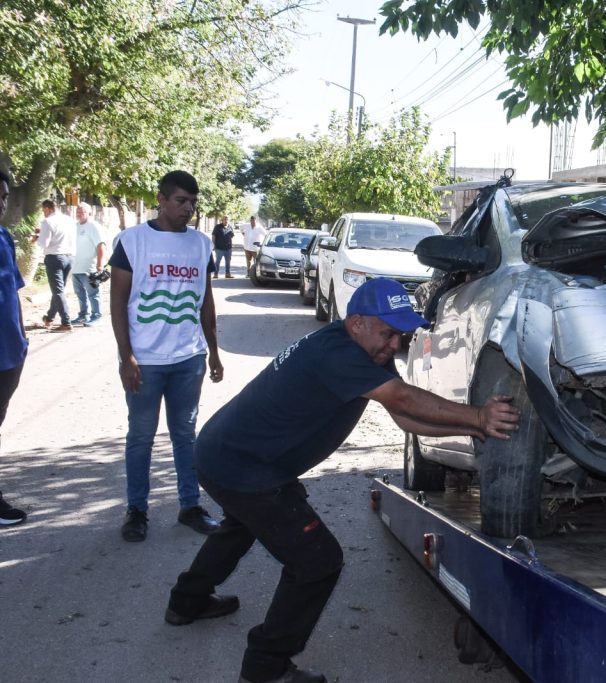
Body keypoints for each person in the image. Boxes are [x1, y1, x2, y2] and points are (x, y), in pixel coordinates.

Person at [164, 278, 520, 683]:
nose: (394, 345)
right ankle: (266, 667)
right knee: (317, 561)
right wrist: (476, 416)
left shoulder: (368, 353)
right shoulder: (339, 354)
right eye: (387, 333)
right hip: (243, 465)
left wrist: (472, 430)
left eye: (400, 335)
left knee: (243, 523)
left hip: (231, 454)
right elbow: (403, 399)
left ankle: (187, 602)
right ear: (356, 324)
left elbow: (402, 416)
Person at [109, 170, 224, 543]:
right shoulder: (133, 241)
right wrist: (126, 357)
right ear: (161, 199)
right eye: (181, 201)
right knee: (141, 436)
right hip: (145, 360)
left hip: (188, 358)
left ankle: (190, 506)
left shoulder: (201, 244)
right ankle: (137, 511)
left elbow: (206, 302)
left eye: (193, 202)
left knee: (185, 434)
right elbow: (118, 302)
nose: (188, 208)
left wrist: (213, 352)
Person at [0, 169, 28, 527]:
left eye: (4, 197)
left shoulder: (4, 236)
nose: (2, 204)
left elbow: (15, 292)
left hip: (9, 352)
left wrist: (22, 338)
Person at [33, 199, 76, 332]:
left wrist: (36, 238)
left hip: (54, 257)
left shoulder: (47, 221)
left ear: (48, 208)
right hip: (69, 256)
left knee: (57, 291)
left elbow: (44, 243)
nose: (43, 213)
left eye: (43, 210)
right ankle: (50, 317)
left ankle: (66, 322)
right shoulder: (69, 219)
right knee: (59, 290)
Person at [70, 203, 106, 326]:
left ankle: (96, 315)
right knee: (80, 294)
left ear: (89, 213)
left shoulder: (93, 226)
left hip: (89, 267)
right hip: (76, 267)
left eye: (82, 212)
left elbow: (101, 246)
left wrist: (100, 265)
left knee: (93, 293)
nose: (79, 214)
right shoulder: (75, 226)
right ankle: (82, 315)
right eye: (77, 211)